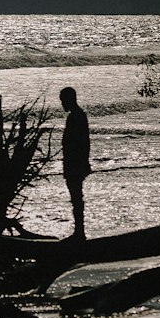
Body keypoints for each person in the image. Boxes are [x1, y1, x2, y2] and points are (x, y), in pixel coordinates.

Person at [59, 86, 91, 240]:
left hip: (74, 163)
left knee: (76, 196)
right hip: (75, 162)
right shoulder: (78, 115)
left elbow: (81, 142)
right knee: (76, 196)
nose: (62, 104)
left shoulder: (76, 117)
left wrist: (82, 162)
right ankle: (79, 230)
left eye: (63, 101)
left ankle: (79, 231)